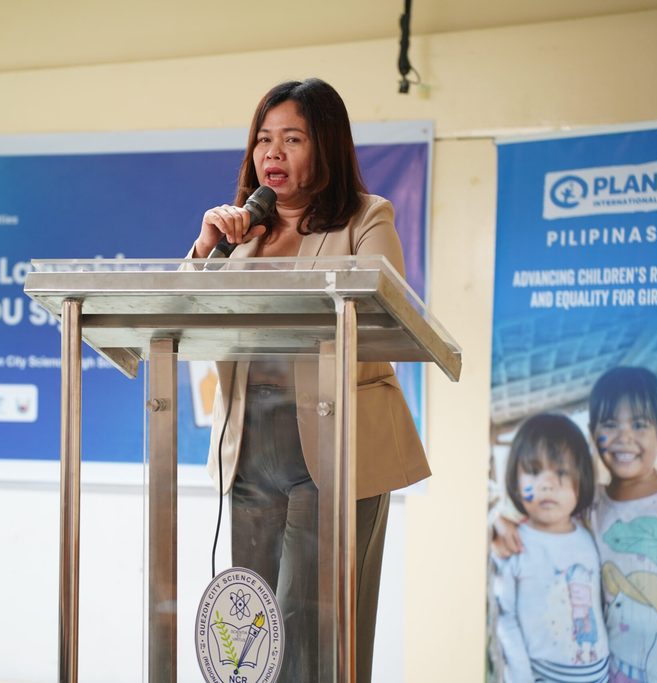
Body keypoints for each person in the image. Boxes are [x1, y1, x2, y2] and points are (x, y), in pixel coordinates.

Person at [190, 78, 428, 683]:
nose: (272, 153)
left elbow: (384, 315)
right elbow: (183, 313)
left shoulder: (365, 218)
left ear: (324, 146)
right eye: (263, 140)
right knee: (248, 632)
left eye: (291, 138)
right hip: (252, 453)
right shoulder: (240, 235)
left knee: (316, 630)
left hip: (335, 451)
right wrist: (207, 248)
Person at [493, 367, 657, 683]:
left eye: (639, 424)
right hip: (615, 673)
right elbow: (539, 526)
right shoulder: (588, 509)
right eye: (610, 425)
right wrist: (497, 525)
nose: (624, 437)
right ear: (593, 434)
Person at [493, 413, 609, 683]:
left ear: (583, 478)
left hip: (600, 672)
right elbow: (505, 618)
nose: (547, 483)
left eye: (561, 471)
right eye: (533, 471)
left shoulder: (590, 532)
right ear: (515, 480)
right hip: (543, 675)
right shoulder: (513, 543)